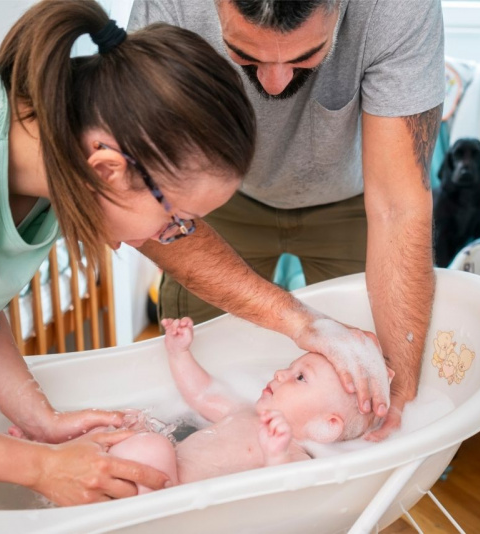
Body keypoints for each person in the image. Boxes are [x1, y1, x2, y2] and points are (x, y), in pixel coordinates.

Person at [0, 0, 385, 506]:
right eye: (176, 219)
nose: (174, 237)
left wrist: (39, 420)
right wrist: (41, 468)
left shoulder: (47, 162)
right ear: (109, 168)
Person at [129, 0, 445, 440]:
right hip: (213, 202)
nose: (274, 85)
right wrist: (302, 322)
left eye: (306, 57)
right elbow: (146, 204)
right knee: (197, 358)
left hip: (357, 201)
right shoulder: (176, 7)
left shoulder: (398, 10)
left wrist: (401, 401)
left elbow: (398, 204)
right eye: (243, 54)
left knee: (365, 370)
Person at [105, 316, 393, 493]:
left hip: (181, 505)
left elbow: (285, 499)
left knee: (150, 446)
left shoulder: (292, 454)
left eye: (300, 377)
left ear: (325, 426)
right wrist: (179, 354)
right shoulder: (245, 410)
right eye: (289, 368)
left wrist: (275, 458)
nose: (280, 374)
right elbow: (202, 393)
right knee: (125, 434)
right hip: (158, 480)